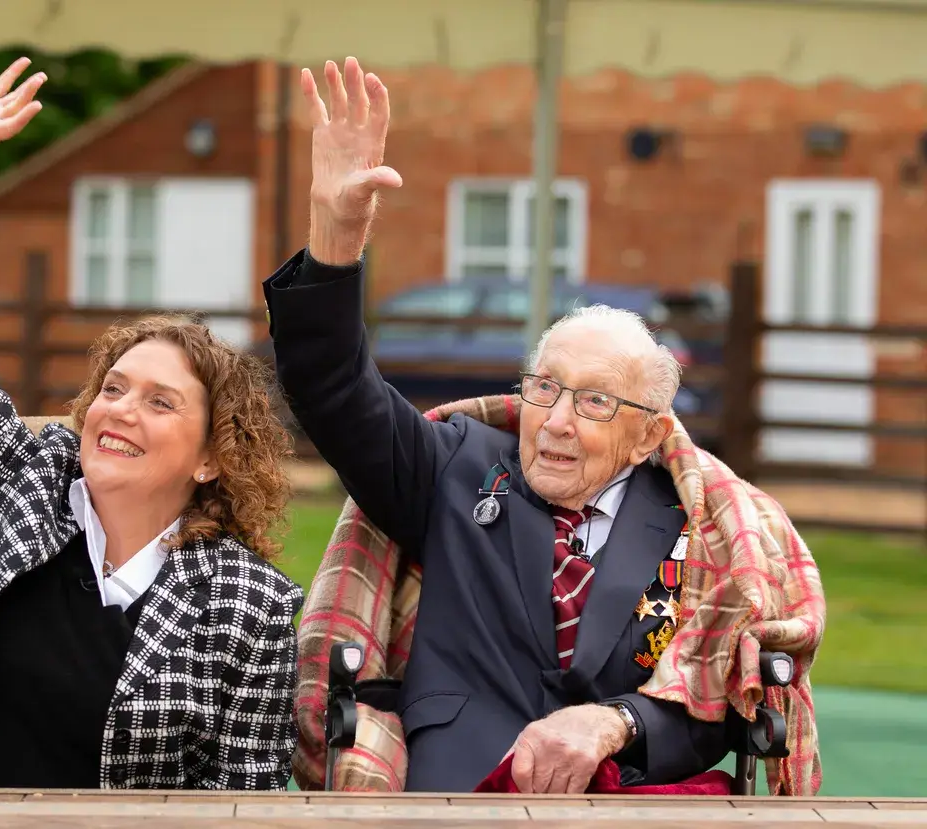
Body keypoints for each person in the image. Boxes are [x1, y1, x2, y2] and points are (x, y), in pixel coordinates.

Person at [262, 57, 824, 795]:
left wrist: (616, 721)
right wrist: (335, 236)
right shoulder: (454, 466)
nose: (555, 421)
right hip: (458, 797)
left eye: (594, 402)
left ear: (649, 435)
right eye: (545, 388)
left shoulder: (700, 523)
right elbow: (332, 387)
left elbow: (720, 707)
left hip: (635, 803)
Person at [0, 58, 303, 790]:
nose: (121, 409)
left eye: (160, 401)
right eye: (114, 388)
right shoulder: (12, 482)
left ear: (211, 458)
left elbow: (241, 799)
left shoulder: (252, 607)